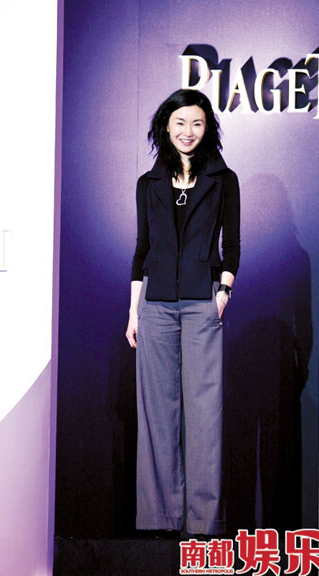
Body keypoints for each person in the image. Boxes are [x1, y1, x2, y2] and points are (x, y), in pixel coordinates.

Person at [126, 88, 240, 536]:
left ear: (207, 128)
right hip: (154, 304)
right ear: (166, 127)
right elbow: (142, 249)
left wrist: (223, 292)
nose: (187, 131)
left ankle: (203, 522)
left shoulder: (223, 179)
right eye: (179, 123)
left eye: (196, 123)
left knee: (204, 412)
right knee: (157, 412)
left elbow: (232, 245)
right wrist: (133, 311)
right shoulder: (148, 183)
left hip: (201, 303)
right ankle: (160, 519)